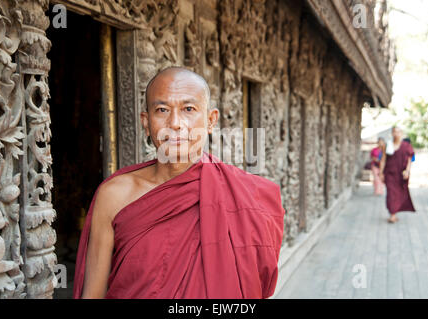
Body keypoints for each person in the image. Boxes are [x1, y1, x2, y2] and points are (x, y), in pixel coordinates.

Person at [72, 67, 286, 299]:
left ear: (211, 120)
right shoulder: (114, 195)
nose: (175, 123)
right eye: (162, 110)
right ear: (146, 121)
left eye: (188, 109)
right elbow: (92, 294)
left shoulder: (247, 195)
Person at [380, 126, 416, 223]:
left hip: (401, 175)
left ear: (401, 133)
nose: (396, 134)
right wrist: (381, 173)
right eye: (395, 132)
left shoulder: (406, 146)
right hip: (389, 174)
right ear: (392, 133)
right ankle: (392, 214)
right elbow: (383, 160)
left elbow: (409, 160)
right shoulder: (388, 145)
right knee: (391, 193)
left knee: (399, 194)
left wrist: (407, 171)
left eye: (399, 132)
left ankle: (394, 212)